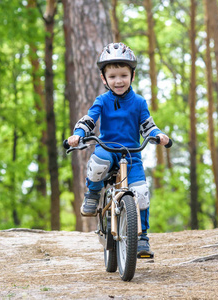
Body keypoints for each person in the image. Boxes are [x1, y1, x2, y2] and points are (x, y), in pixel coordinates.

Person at [67, 42, 170, 257]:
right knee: (98, 164)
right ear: (104, 79)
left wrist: (158, 136)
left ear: (132, 75)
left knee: (141, 193)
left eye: (123, 75)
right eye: (112, 77)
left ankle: (141, 238)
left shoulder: (139, 102)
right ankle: (93, 193)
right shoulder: (102, 100)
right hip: (108, 148)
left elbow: (147, 126)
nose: (118, 81)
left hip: (132, 154)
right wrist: (78, 134)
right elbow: (89, 119)